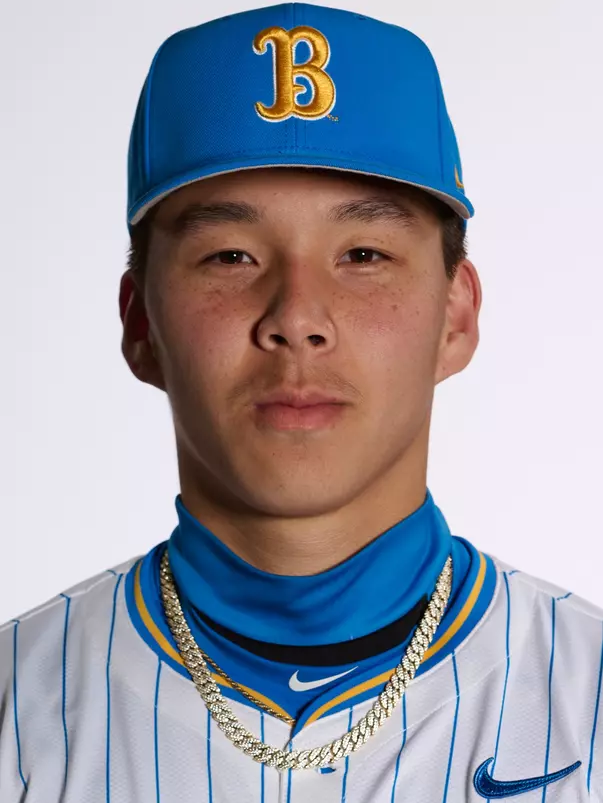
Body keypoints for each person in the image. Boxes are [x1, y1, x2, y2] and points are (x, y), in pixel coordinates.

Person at [1, 2, 601, 801]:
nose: (296, 318)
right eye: (230, 254)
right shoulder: (14, 713)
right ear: (141, 322)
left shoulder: (585, 695)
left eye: (362, 253)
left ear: (455, 316)